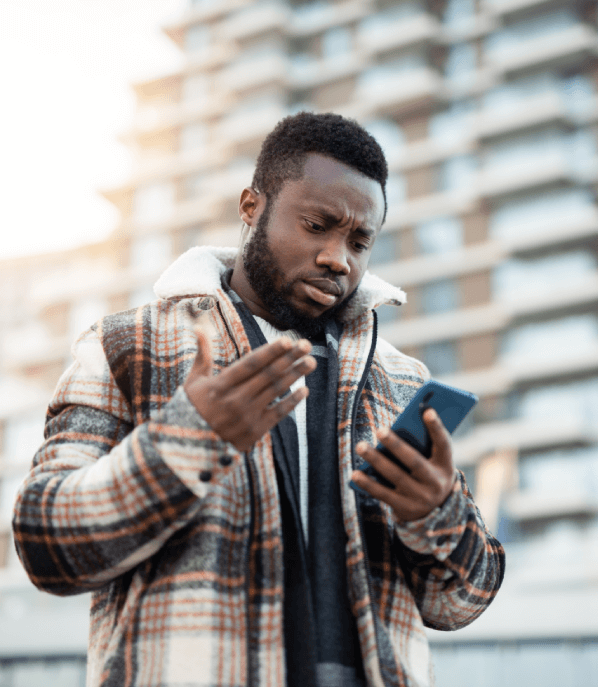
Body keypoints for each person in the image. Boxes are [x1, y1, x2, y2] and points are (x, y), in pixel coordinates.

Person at [13, 112, 504, 687]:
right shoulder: (128, 346)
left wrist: (435, 513)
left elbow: (461, 603)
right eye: (318, 224)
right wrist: (185, 444)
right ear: (251, 207)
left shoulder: (399, 381)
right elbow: (45, 545)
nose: (337, 259)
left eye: (359, 240)